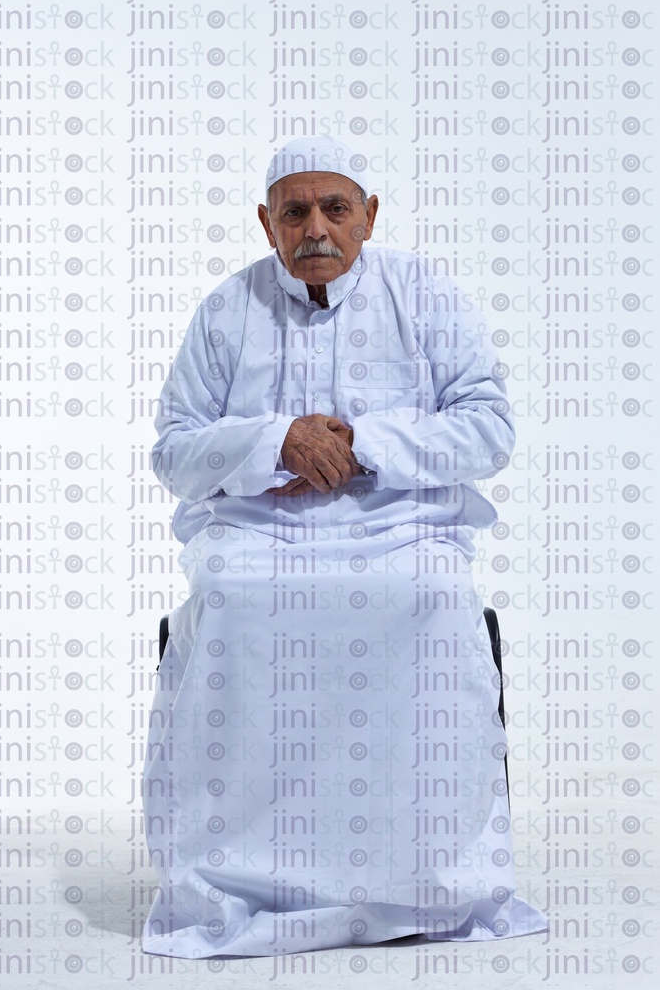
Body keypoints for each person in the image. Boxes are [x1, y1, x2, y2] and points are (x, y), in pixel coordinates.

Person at [141, 135, 547, 958]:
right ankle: (237, 881)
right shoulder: (225, 311)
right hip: (260, 531)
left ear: (369, 216)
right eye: (294, 213)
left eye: (334, 208)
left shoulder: (424, 295)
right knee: (231, 601)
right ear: (267, 224)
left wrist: (360, 445)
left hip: (401, 526)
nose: (315, 229)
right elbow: (174, 452)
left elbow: (489, 429)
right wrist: (274, 442)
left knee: (430, 596)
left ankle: (427, 878)